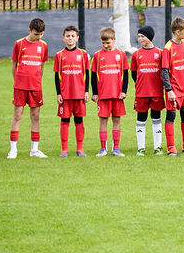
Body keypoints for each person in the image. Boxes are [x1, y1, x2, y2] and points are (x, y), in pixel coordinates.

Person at [8, 17, 49, 159]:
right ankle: (13, 150)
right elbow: (14, 65)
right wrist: (18, 81)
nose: (39, 37)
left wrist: (37, 81)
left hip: (35, 87)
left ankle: (34, 150)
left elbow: (42, 66)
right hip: (20, 87)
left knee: (35, 116)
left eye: (41, 34)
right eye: (36, 34)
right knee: (17, 116)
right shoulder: (19, 44)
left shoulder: (43, 45)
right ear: (29, 30)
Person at [90, 27, 129, 156]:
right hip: (103, 95)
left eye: (108, 42)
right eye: (103, 43)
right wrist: (95, 93)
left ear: (114, 39)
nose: (106, 45)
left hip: (117, 95)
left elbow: (125, 74)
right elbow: (93, 75)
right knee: (103, 121)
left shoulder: (121, 55)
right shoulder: (97, 55)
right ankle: (103, 149)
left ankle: (116, 148)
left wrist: (124, 91)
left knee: (116, 120)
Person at [53, 25, 89, 157]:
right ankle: (64, 149)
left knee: (79, 121)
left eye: (73, 36)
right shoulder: (59, 55)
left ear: (77, 38)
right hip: (65, 95)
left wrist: (86, 91)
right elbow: (56, 76)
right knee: (65, 121)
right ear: (63, 38)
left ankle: (80, 149)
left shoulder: (83, 54)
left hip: (79, 94)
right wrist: (58, 93)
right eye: (68, 36)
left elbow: (87, 74)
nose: (70, 38)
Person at [161, 17, 184, 155]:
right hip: (174, 90)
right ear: (177, 32)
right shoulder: (168, 48)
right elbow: (164, 71)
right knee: (171, 116)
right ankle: (171, 147)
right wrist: (169, 90)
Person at [130, 26, 164, 156]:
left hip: (156, 92)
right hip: (141, 93)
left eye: (142, 36)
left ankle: (157, 147)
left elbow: (164, 72)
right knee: (141, 119)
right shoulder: (136, 54)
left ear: (149, 37)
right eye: (138, 36)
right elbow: (134, 74)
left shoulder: (160, 53)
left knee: (156, 118)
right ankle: (141, 148)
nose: (140, 39)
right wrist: (141, 84)